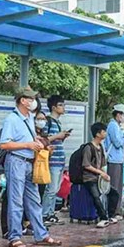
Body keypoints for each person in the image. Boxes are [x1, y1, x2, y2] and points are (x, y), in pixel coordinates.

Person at [0, 87, 61, 247]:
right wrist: (27, 145)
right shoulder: (11, 119)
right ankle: (14, 236)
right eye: (31, 99)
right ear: (23, 101)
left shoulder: (29, 118)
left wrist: (41, 145)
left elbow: (32, 138)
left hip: (29, 162)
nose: (34, 102)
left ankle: (41, 234)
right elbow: (4, 144)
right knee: (16, 200)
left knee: (34, 199)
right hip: (16, 161)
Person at [82, 123, 120, 228]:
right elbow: (86, 165)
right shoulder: (88, 148)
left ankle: (111, 215)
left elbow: (103, 164)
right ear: (98, 134)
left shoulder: (101, 147)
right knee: (96, 196)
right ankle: (103, 217)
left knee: (114, 193)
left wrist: (105, 175)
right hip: (89, 178)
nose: (106, 133)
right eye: (104, 131)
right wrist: (100, 173)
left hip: (99, 179)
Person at [43, 95, 70, 225]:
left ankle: (51, 213)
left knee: (55, 188)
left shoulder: (58, 123)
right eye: (61, 105)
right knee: (51, 189)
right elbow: (44, 139)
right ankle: (44, 214)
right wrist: (58, 136)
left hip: (60, 160)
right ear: (53, 107)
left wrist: (62, 137)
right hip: (52, 160)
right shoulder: (48, 121)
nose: (63, 107)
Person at [105, 104, 124, 217]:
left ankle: (116, 210)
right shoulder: (113, 126)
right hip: (113, 160)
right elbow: (117, 143)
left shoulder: (117, 126)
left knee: (119, 186)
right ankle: (112, 211)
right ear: (118, 114)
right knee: (114, 187)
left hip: (118, 160)